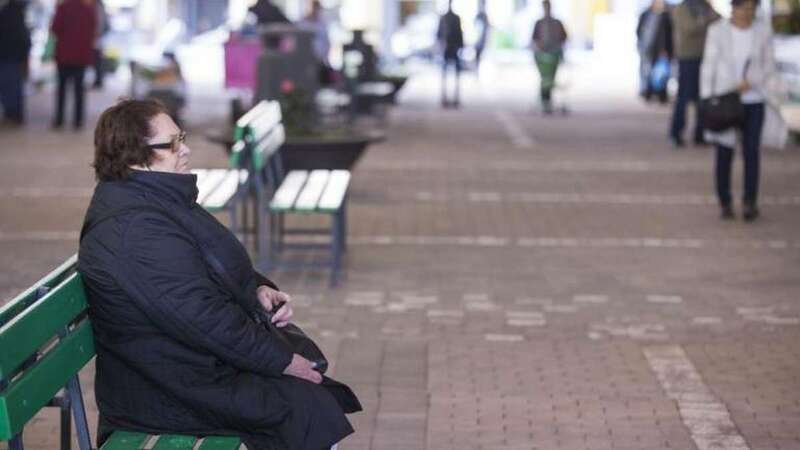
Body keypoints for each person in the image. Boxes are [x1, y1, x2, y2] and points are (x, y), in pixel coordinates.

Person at [78, 99, 361, 449]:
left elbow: (211, 265)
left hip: (186, 366)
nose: (185, 149)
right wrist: (283, 361)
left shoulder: (155, 200)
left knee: (309, 399)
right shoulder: (135, 229)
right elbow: (203, 317)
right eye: (171, 144)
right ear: (133, 156)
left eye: (181, 138)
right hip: (163, 390)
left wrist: (258, 289)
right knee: (305, 406)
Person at [701, 0, 776, 221]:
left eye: (752, 9)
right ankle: (725, 201)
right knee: (724, 152)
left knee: (751, 152)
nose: (748, 13)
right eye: (744, 8)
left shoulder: (762, 31)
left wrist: (751, 81)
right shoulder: (717, 31)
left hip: (754, 99)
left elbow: (769, 66)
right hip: (725, 100)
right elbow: (709, 65)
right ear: (734, 7)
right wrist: (707, 98)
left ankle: (749, 201)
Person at [669, 0, 719, 148]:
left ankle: (700, 133)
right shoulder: (682, 9)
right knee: (683, 98)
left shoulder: (706, 6)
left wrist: (704, 21)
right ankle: (676, 133)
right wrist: (706, 21)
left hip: (705, 57)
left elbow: (718, 20)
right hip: (688, 58)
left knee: (703, 97)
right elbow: (689, 28)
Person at [50, 0, 96, 130]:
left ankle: (59, 120)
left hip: (64, 55)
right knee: (79, 89)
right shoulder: (88, 9)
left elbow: (55, 28)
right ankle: (78, 121)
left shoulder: (62, 8)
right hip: (80, 56)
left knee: (61, 89)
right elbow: (93, 30)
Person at [531, 0, 567, 114]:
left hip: (554, 55)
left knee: (550, 79)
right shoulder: (538, 23)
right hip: (542, 56)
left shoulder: (557, 23)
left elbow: (564, 37)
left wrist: (558, 48)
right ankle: (545, 101)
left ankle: (547, 101)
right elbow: (534, 39)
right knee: (545, 79)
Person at [0, 0, 31, 126]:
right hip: (13, 56)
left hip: (8, 56)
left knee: (10, 88)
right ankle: (14, 114)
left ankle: (13, 114)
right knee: (14, 88)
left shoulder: (7, 13)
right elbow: (24, 38)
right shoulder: (16, 15)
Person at [636, 0, 673, 104]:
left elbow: (669, 35)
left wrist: (667, 49)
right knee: (648, 71)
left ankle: (661, 94)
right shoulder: (645, 14)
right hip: (649, 49)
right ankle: (648, 92)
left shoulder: (666, 16)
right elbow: (639, 31)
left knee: (662, 73)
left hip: (662, 49)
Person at [437, 0, 464, 108]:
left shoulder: (454, 18)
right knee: (445, 75)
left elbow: (459, 33)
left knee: (455, 74)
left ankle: (454, 97)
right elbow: (439, 34)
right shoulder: (443, 18)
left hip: (453, 47)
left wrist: (460, 46)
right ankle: (445, 97)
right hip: (447, 48)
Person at [92, 0, 109, 89]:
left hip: (96, 38)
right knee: (97, 60)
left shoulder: (97, 5)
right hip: (97, 38)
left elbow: (100, 22)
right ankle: (98, 80)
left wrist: (96, 34)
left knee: (97, 61)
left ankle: (98, 80)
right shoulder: (98, 5)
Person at [473, 0, 490, 72]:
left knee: (481, 57)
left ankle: (478, 71)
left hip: (482, 41)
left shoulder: (485, 17)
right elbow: (475, 29)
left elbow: (487, 30)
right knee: (477, 57)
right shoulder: (478, 16)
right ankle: (476, 71)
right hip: (477, 41)